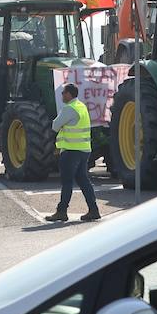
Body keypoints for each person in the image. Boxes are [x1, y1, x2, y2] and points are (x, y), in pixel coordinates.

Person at [46, 82, 101, 223]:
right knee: (83, 180)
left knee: (67, 182)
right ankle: (93, 210)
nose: (62, 95)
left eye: (64, 92)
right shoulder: (81, 106)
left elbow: (55, 125)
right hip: (84, 150)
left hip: (71, 151)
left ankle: (62, 211)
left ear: (69, 94)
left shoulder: (69, 109)